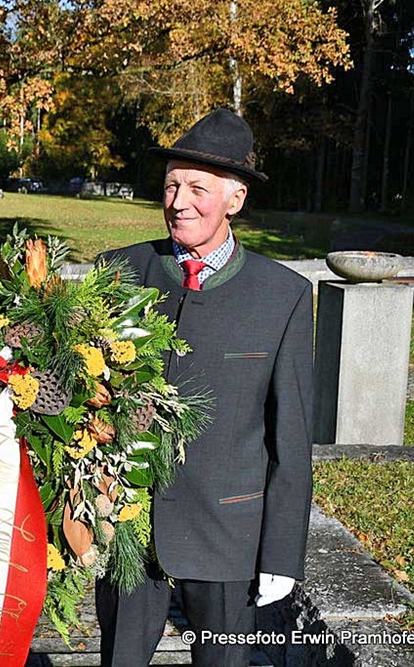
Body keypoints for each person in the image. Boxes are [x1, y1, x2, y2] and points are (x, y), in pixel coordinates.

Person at [94, 109, 314, 667]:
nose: (178, 202)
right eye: (171, 185)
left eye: (198, 188)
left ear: (235, 199)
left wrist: (281, 554)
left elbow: (290, 439)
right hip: (127, 530)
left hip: (227, 537)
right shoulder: (117, 273)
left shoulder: (282, 295)